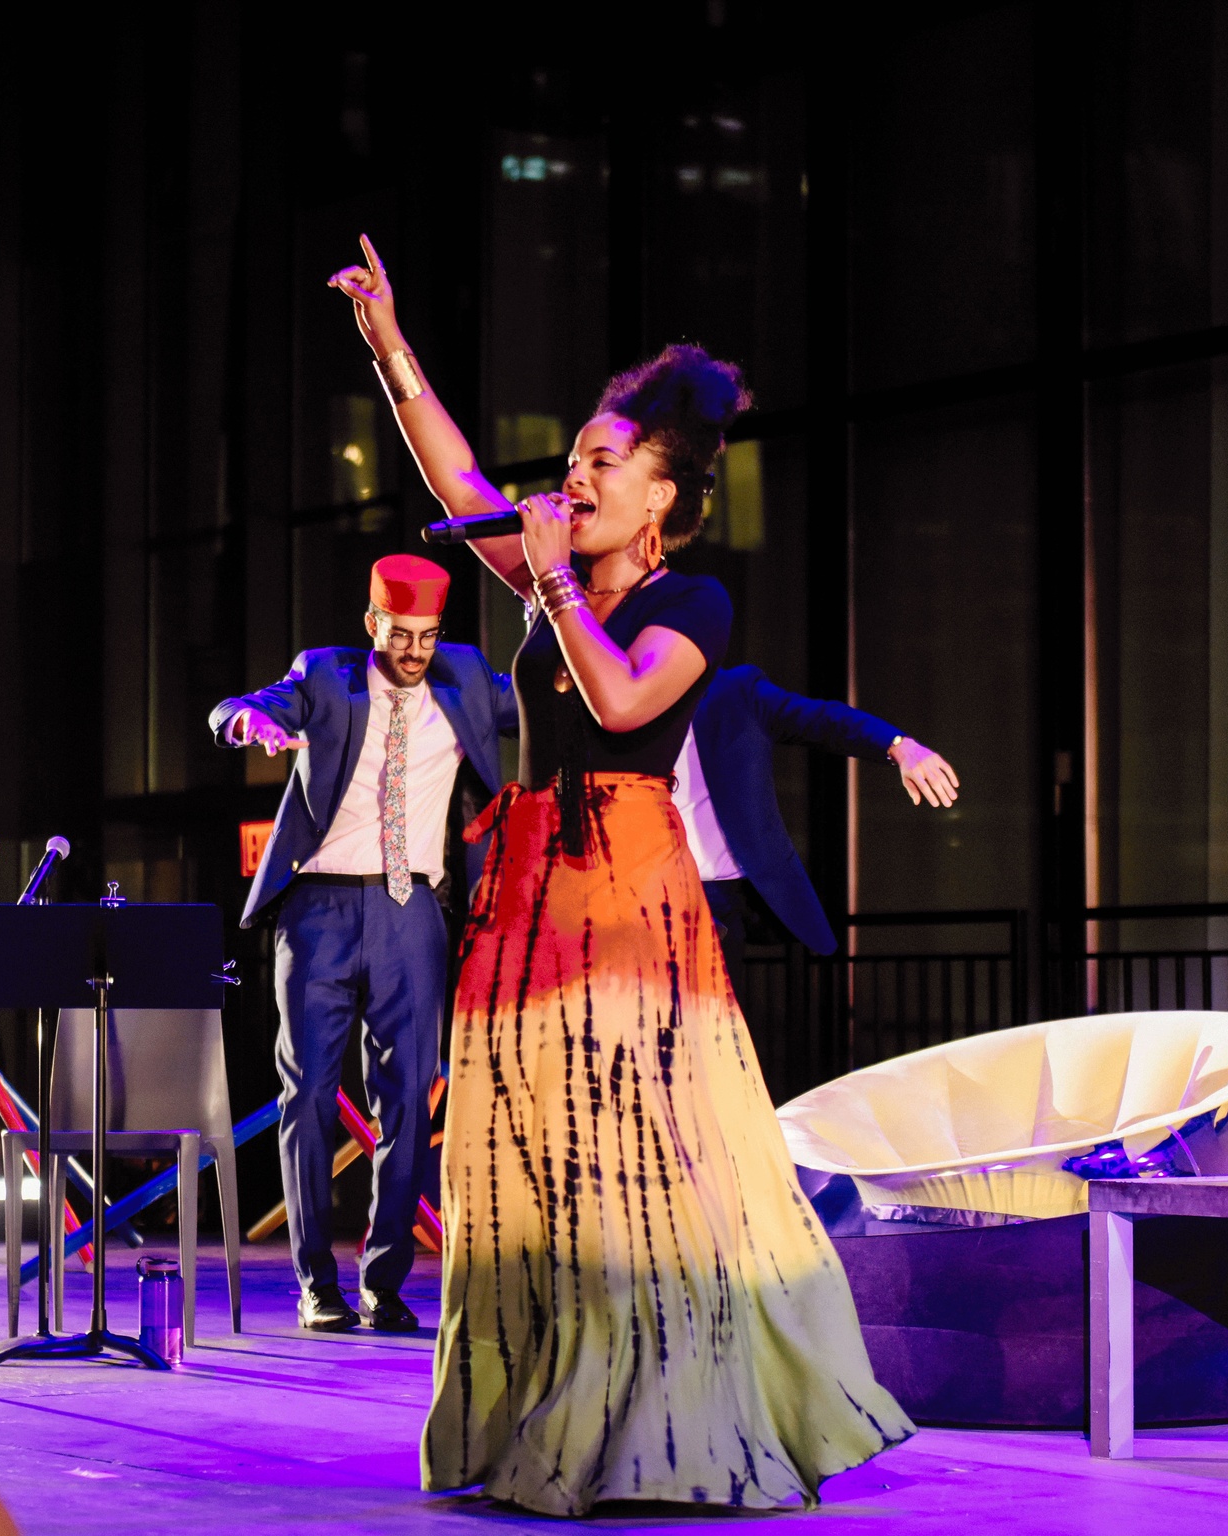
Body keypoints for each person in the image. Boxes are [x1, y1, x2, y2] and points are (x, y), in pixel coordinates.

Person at [329, 234, 910, 1515]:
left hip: (624, 901)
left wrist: (545, 574)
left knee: (629, 1174)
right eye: (573, 457)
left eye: (601, 462)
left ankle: (654, 1428)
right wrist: (388, 344)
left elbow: (622, 694)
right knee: (531, 1166)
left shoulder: (687, 606)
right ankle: (544, 1413)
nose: (571, 476)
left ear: (657, 500)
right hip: (526, 893)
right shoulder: (548, 585)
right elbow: (459, 469)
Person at [208, 553, 515, 1334]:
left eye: (427, 636)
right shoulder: (326, 676)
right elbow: (242, 706)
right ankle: (316, 1282)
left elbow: (553, 697)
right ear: (372, 622)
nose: (414, 651)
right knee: (307, 1092)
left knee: (411, 1097)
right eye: (400, 634)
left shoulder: (466, 679)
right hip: (319, 911)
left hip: (414, 912)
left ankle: (384, 1279)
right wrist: (249, 720)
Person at [681, 672, 958, 1003]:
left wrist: (898, 745)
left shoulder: (733, 694)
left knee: (713, 1035)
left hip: (716, 899)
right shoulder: (613, 699)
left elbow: (824, 719)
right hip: (634, 887)